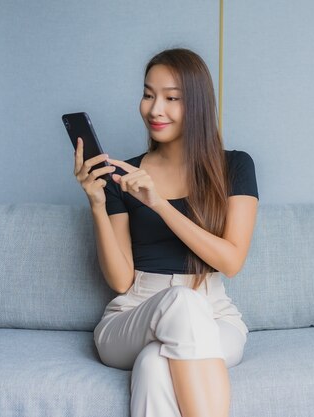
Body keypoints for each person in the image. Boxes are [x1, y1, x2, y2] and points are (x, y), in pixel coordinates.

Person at [73, 47, 259, 417]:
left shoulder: (235, 166)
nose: (155, 109)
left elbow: (231, 261)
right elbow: (121, 280)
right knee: (180, 303)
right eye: (148, 94)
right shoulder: (120, 177)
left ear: (198, 105)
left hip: (214, 315)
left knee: (156, 364)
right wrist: (96, 202)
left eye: (172, 98)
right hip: (133, 314)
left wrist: (158, 203)